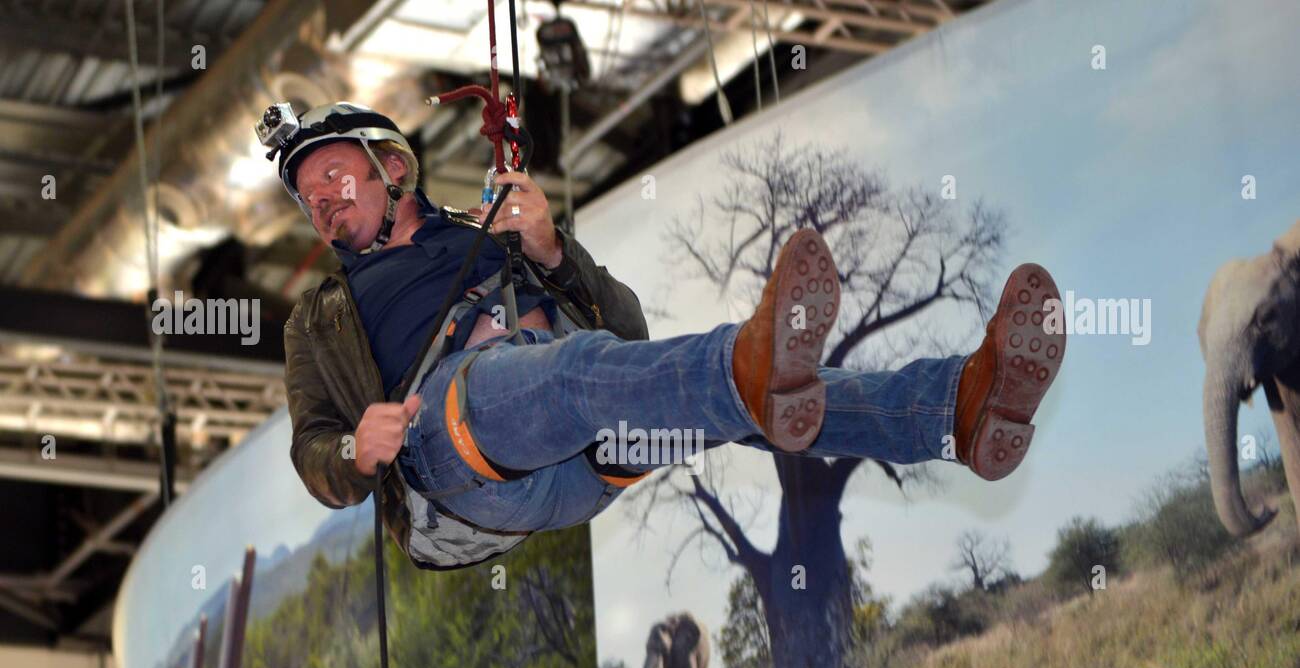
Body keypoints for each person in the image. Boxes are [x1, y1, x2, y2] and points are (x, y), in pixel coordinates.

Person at [269, 103, 1065, 566]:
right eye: (312, 201)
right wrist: (353, 451)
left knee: (723, 402)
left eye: (335, 178)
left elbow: (628, 332)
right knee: (593, 373)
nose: (326, 204)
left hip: (585, 456)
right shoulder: (319, 316)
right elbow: (315, 449)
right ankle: (746, 365)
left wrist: (549, 247)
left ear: (392, 167)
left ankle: (953, 411)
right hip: (461, 463)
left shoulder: (493, 225)